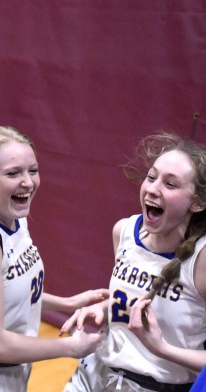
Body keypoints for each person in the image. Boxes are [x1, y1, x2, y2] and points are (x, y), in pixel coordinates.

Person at [0, 126, 106, 391]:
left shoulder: (14, 219)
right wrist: (70, 347)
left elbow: (8, 297)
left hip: (9, 371)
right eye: (13, 173)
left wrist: (68, 303)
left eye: (33, 170)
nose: (28, 182)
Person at [62, 132, 206, 391]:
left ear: (196, 203)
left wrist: (162, 349)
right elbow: (141, 299)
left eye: (170, 184)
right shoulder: (125, 231)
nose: (152, 188)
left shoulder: (201, 258)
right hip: (94, 373)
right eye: (152, 177)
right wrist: (105, 310)